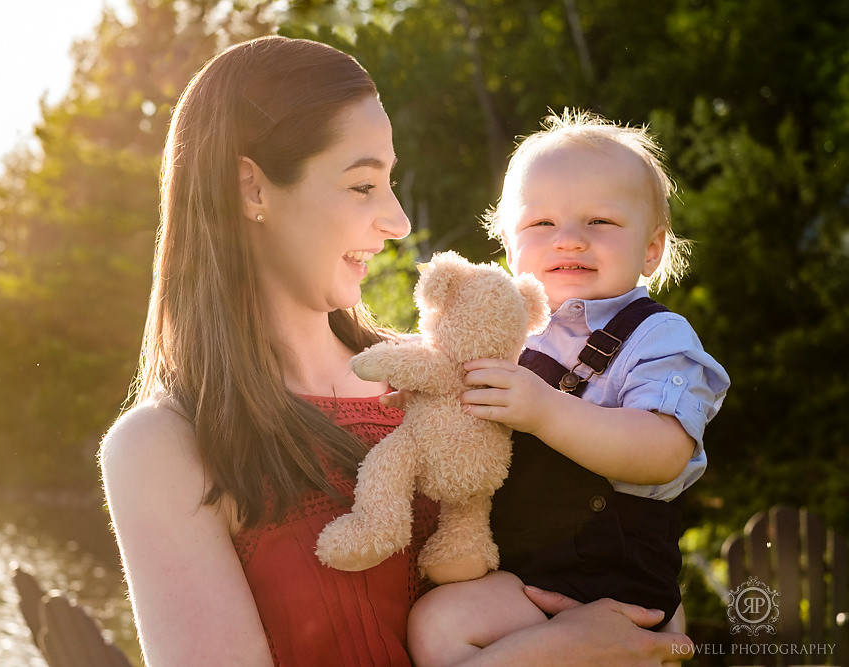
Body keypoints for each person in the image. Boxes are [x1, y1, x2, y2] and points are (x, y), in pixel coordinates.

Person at [100, 37, 696, 666]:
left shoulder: (462, 379)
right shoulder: (162, 445)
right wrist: (546, 656)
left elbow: (608, 552)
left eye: (389, 181)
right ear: (252, 188)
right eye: (363, 185)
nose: (399, 221)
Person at [406, 109, 730, 667]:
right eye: (542, 225)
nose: (570, 241)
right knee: (437, 623)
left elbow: (664, 450)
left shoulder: (655, 335)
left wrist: (547, 411)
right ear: (508, 247)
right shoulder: (504, 332)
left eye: (600, 222)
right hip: (520, 573)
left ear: (651, 249)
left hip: (610, 583)